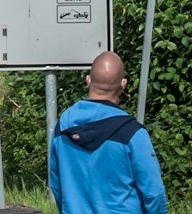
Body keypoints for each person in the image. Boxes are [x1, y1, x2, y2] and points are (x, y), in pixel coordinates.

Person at [50, 51, 168, 214]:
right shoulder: (132, 133)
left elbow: (56, 185)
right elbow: (153, 193)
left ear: (88, 80)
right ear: (123, 84)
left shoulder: (62, 127)